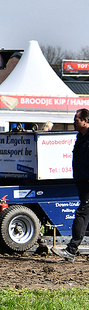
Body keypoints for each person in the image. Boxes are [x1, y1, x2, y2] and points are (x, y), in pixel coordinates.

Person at [53, 109, 89, 261]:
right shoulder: (80, 137)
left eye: (76, 120)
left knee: (82, 213)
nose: (73, 123)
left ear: (86, 121)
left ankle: (71, 250)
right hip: (82, 181)